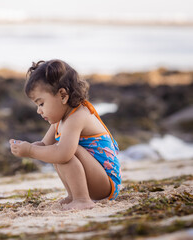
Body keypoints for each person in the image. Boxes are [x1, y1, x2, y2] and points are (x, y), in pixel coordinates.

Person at [9, 59, 121, 210]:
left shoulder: (78, 116)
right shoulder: (60, 120)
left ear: (63, 95)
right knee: (56, 150)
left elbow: (62, 154)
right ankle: (74, 195)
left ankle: (82, 199)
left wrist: (31, 151)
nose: (38, 110)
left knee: (64, 151)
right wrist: (26, 148)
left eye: (41, 104)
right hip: (95, 180)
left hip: (105, 184)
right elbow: (44, 146)